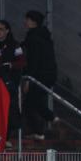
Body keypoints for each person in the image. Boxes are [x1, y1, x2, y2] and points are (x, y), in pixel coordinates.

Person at [21, 10, 57, 140]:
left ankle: (51, 119)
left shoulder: (33, 38)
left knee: (30, 103)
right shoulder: (43, 36)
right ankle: (40, 130)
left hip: (39, 75)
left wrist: (28, 79)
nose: (25, 22)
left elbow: (34, 60)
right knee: (34, 101)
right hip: (48, 74)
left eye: (28, 19)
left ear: (33, 22)